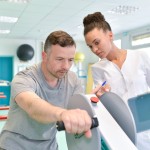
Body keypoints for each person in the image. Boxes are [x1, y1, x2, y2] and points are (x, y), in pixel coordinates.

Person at [0, 30, 92, 150]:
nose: (66, 66)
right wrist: (62, 113)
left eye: (70, 60)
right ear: (45, 56)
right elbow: (32, 105)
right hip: (14, 146)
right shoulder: (24, 77)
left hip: (49, 146)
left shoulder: (73, 79)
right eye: (59, 59)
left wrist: (92, 100)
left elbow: (78, 107)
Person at [82, 12, 150, 150]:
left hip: (146, 128)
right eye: (90, 46)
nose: (94, 49)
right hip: (120, 129)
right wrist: (95, 98)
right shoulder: (97, 69)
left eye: (97, 42)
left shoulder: (141, 56)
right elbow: (102, 104)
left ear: (110, 35)